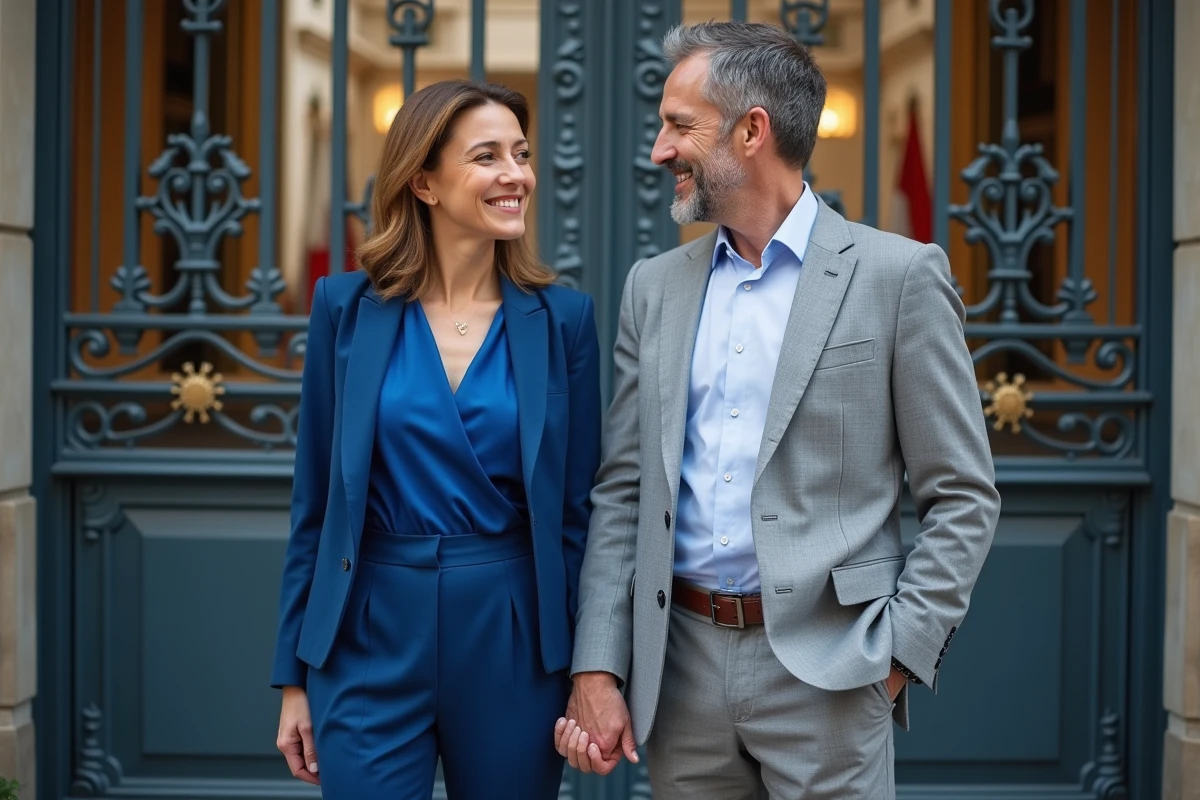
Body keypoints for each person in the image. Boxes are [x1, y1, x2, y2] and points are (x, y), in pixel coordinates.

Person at [556, 21, 1001, 799]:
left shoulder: (899, 278)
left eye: (678, 126)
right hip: (680, 676)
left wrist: (893, 659)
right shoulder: (652, 288)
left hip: (832, 675)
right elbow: (624, 491)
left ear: (752, 131)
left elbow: (962, 493)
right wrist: (599, 664)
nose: (659, 149)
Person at [270, 79, 601, 800]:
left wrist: (590, 669)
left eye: (521, 153)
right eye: (487, 157)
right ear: (424, 181)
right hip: (367, 628)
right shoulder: (343, 309)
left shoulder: (566, 321)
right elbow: (317, 503)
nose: (516, 175)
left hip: (512, 632)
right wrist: (292, 676)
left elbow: (578, 517)